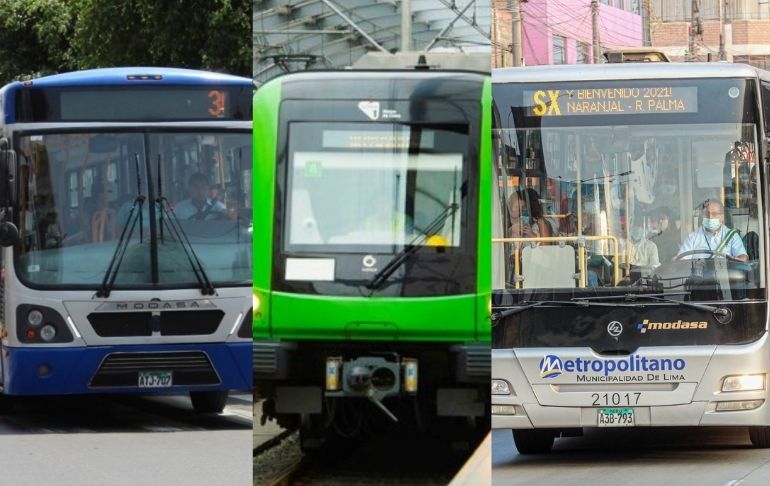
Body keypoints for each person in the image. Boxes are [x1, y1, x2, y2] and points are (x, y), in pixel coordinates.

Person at [677, 199, 747, 261]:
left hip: (725, 274)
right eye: (707, 214)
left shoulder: (732, 235)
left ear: (722, 217)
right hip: (700, 274)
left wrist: (733, 260)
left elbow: (743, 257)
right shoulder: (693, 237)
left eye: (714, 214)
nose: (710, 217)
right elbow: (681, 260)